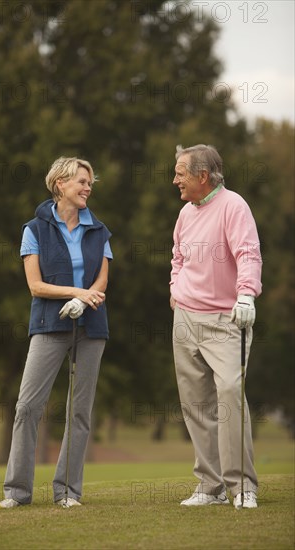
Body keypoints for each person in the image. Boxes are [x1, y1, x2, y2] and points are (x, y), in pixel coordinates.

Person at [0, 157, 112, 509]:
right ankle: (17, 492)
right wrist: (75, 294)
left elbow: (102, 280)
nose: (88, 187)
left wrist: (87, 298)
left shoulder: (100, 230)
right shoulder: (34, 229)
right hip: (49, 325)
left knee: (80, 412)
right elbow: (35, 285)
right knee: (28, 407)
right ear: (60, 184)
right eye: (81, 181)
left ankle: (67, 492)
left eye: (90, 182)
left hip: (91, 327)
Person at [170, 144, 262, 509]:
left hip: (226, 320)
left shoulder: (234, 206)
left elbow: (248, 253)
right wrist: (175, 289)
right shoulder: (185, 212)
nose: (175, 179)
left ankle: (242, 487)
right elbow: (178, 256)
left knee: (229, 396)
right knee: (196, 404)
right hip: (185, 318)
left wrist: (246, 295)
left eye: (181, 172)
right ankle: (211, 487)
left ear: (202, 176)